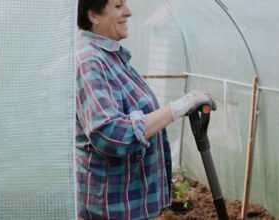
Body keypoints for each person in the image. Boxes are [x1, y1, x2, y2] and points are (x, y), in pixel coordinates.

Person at [76, 0, 216, 219]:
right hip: (112, 209)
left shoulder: (112, 58)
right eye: (118, 6)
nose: (128, 12)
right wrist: (178, 107)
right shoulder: (89, 62)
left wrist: (185, 105)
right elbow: (109, 134)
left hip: (131, 205)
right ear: (93, 15)